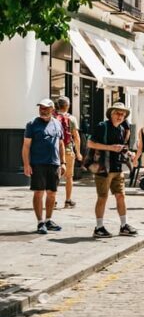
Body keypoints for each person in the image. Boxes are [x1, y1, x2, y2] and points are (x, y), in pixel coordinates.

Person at [87, 102, 137, 238]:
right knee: (102, 197)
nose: (120, 116)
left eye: (123, 114)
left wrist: (128, 152)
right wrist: (110, 148)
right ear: (111, 114)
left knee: (121, 196)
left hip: (117, 167)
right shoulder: (102, 126)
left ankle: (124, 226)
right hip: (103, 168)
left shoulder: (121, 129)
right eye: (117, 113)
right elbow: (90, 143)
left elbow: (119, 147)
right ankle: (99, 227)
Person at [22, 98, 65, 234]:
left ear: (52, 109)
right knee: (39, 192)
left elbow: (61, 144)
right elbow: (26, 146)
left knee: (52, 193)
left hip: (54, 163)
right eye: (41, 108)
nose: (42, 110)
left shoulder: (58, 123)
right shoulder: (32, 124)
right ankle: (40, 222)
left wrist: (63, 162)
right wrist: (26, 164)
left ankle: (48, 220)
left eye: (46, 108)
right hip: (38, 163)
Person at [54, 96, 81, 209]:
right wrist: (78, 152)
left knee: (55, 176)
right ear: (68, 106)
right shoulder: (71, 119)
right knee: (69, 177)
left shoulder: (52, 118)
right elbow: (76, 137)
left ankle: (53, 200)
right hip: (68, 150)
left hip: (54, 151)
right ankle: (68, 200)